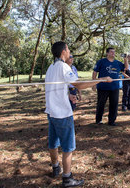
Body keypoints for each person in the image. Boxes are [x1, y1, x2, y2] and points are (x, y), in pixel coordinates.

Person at [45, 41, 112, 187]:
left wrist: (68, 95)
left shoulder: (51, 67)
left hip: (51, 112)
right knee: (68, 147)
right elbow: (79, 84)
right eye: (68, 49)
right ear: (63, 52)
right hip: (62, 113)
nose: (69, 52)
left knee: (53, 143)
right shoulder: (63, 66)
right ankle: (67, 179)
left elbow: (57, 87)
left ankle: (56, 167)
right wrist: (100, 80)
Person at [92, 48, 128, 126]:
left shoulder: (117, 63)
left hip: (115, 87)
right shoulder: (101, 62)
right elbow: (95, 72)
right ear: (107, 53)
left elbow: (125, 68)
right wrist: (93, 83)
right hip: (102, 87)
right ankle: (99, 120)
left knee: (114, 104)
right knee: (101, 104)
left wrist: (125, 59)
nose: (113, 53)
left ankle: (111, 121)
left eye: (114, 52)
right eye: (111, 52)